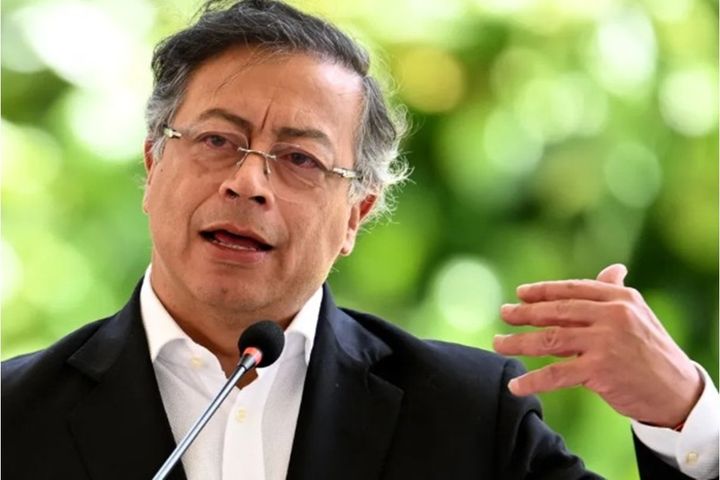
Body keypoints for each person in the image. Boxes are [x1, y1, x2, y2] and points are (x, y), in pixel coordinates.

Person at [2, 0, 717, 479]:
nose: (248, 182)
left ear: (356, 215)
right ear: (153, 164)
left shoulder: (470, 417)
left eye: (300, 159)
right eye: (218, 140)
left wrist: (682, 415)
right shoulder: (13, 419)